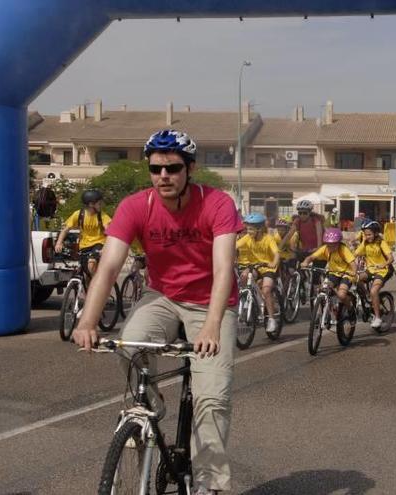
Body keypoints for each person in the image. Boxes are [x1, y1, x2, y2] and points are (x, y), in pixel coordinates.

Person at [71, 129, 242, 494]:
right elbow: (109, 266)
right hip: (162, 295)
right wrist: (87, 321)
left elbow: (225, 268)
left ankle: (209, 485)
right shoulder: (136, 206)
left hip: (211, 301)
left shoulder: (216, 204)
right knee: (130, 345)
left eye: (173, 168)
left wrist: (211, 326)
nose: (163, 176)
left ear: (189, 169)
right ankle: (149, 405)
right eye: (156, 169)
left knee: (211, 399)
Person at [300, 228, 358, 324]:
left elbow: (352, 263)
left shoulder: (343, 249)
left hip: (346, 274)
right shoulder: (325, 248)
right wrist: (306, 261)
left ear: (339, 243)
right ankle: (329, 311)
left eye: (333, 244)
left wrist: (354, 272)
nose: (330, 246)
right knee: (323, 289)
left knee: (341, 295)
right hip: (333, 273)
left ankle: (351, 310)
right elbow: (312, 257)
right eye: (328, 244)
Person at [236, 213, 281, 335]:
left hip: (268, 268)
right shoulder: (247, 238)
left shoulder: (268, 238)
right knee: (244, 276)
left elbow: (276, 253)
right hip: (255, 266)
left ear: (259, 229)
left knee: (266, 290)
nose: (248, 231)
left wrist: (273, 263)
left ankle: (272, 319)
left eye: (251, 229)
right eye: (247, 228)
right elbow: (234, 246)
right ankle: (249, 299)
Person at [55, 189, 111, 278]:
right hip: (84, 245)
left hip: (99, 243)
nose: (101, 205)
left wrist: (106, 247)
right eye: (99, 203)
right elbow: (65, 229)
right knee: (86, 274)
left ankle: (98, 287)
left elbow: (109, 232)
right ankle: (88, 291)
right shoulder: (79, 214)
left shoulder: (102, 216)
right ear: (91, 204)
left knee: (91, 264)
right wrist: (59, 243)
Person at [354, 220, 394, 330]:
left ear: (376, 233)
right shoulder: (365, 243)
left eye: (369, 234)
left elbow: (391, 258)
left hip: (383, 271)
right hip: (370, 270)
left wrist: (383, 264)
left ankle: (377, 318)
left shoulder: (381, 243)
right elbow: (355, 254)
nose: (367, 237)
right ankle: (368, 298)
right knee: (355, 279)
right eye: (365, 234)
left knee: (374, 291)